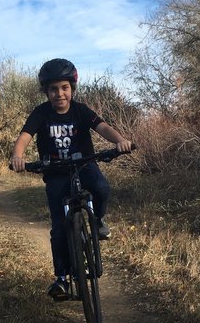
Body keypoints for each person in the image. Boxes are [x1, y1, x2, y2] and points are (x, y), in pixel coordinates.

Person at [10, 58, 133, 300]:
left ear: (72, 89)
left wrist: (119, 141)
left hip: (84, 165)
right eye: (53, 89)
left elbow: (103, 128)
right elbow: (25, 135)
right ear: (46, 91)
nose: (59, 94)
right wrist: (17, 155)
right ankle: (62, 278)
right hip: (56, 172)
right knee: (58, 229)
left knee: (101, 187)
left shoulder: (81, 110)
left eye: (64, 88)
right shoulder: (41, 113)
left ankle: (97, 220)